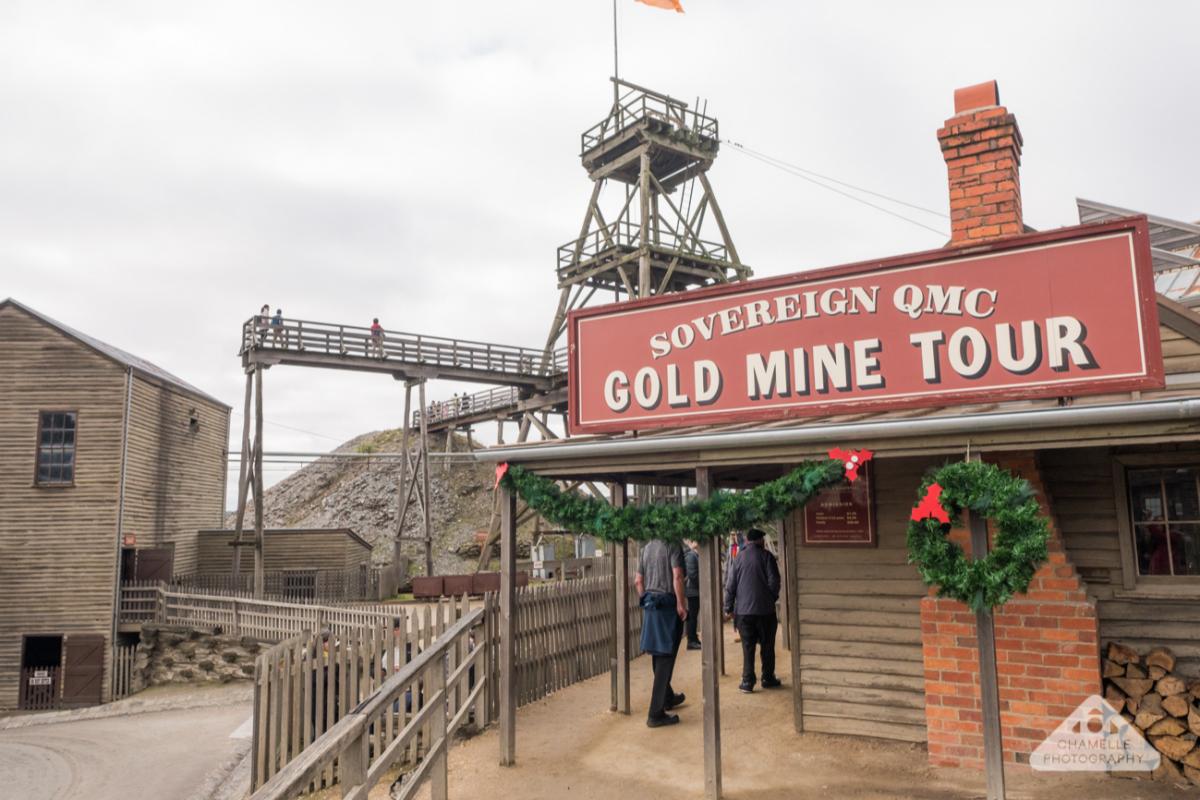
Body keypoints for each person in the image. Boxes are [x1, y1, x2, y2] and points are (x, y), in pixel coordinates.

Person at [636, 537, 687, 727]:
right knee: (665, 658)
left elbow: (638, 581)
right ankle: (655, 713)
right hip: (667, 605)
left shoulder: (646, 547)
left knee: (657, 656)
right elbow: (677, 576)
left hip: (651, 604)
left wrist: (646, 600)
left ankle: (667, 697)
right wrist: (681, 604)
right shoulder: (672, 545)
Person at [723, 527, 781, 693]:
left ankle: (748, 681)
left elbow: (730, 585)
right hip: (765, 612)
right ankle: (767, 677)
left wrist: (728, 607)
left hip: (744, 613)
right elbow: (774, 582)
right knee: (767, 646)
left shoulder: (739, 558)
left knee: (748, 647)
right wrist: (769, 599)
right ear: (760, 541)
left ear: (747, 541)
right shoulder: (767, 556)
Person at [683, 540, 701, 650]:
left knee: (694, 616)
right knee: (692, 616)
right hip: (692, 590)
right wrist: (702, 585)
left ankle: (694, 638)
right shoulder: (691, 556)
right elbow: (693, 575)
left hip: (694, 590)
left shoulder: (695, 554)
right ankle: (691, 640)